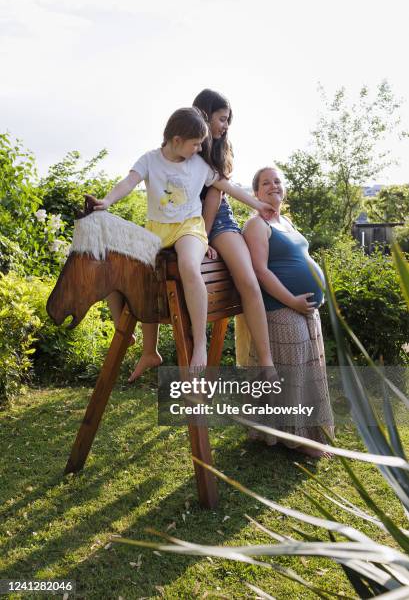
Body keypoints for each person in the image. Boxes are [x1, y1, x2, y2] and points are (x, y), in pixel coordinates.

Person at [88, 107, 275, 377]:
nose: (200, 149)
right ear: (177, 141)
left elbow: (228, 188)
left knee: (189, 264)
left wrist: (259, 204)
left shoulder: (198, 165)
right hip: (157, 230)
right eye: (196, 144)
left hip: (190, 227)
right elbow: (128, 182)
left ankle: (199, 344)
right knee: (129, 267)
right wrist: (106, 202)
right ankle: (148, 350)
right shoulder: (150, 160)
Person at [239, 166, 334, 457]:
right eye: (265, 183)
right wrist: (292, 300)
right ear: (255, 193)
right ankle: (299, 440)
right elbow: (260, 271)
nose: (273, 186)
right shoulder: (256, 225)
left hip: (304, 310)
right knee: (293, 376)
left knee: (309, 372)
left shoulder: (287, 222)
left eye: (278, 181)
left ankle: (296, 432)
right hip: (280, 308)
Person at [192, 89, 274, 369]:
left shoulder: (220, 150)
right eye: (222, 119)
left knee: (249, 282)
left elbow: (216, 197)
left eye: (228, 121)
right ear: (205, 115)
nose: (225, 126)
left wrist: (204, 236)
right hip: (188, 223)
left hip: (218, 222)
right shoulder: (188, 148)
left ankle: (266, 362)